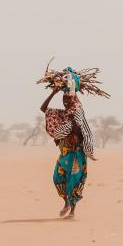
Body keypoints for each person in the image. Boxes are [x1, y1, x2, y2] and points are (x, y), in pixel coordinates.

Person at [39, 71, 96, 218]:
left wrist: (76, 131)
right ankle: (66, 202)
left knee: (73, 183)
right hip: (64, 154)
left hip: (76, 155)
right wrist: (54, 92)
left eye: (68, 99)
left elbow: (80, 126)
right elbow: (43, 109)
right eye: (64, 100)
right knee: (57, 178)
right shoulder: (63, 115)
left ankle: (72, 211)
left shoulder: (76, 112)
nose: (65, 102)